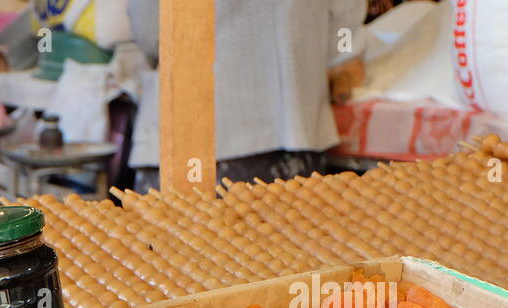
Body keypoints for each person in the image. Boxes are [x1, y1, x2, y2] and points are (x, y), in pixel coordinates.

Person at [126, 0, 367, 191]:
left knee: (175, 247)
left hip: (200, 128)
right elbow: (344, 24)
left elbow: (150, 31)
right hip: (298, 128)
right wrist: (340, 59)